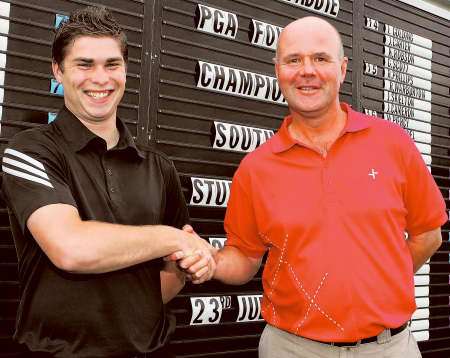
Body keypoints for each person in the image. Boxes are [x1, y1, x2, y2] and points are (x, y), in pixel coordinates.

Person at [177, 16, 447, 357]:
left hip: (390, 348)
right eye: (293, 60)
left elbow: (428, 235)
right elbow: (244, 257)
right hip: (291, 349)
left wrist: (382, 284)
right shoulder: (256, 168)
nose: (307, 70)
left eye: (320, 58)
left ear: (343, 68)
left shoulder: (392, 143)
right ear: (278, 70)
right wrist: (211, 261)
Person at [1, 6, 215, 358]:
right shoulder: (30, 150)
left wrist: (190, 262)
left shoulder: (159, 167)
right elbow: (70, 248)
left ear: (126, 70)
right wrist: (169, 238)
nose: (100, 78)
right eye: (84, 64)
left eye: (112, 64)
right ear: (58, 70)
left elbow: (166, 276)